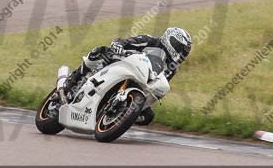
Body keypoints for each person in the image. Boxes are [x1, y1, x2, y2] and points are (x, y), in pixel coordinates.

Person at [62, 27, 192, 126]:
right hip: (123, 64)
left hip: (141, 84)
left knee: (148, 116)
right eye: (180, 49)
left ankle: (119, 117)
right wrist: (119, 46)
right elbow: (124, 41)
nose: (181, 54)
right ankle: (75, 77)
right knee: (101, 51)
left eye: (184, 52)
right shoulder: (149, 40)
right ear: (171, 40)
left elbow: (160, 83)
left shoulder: (172, 68)